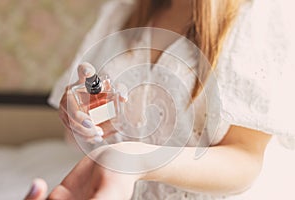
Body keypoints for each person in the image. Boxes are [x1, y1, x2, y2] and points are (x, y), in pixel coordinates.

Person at [25, 0, 294, 199]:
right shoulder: (124, 9)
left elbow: (244, 159)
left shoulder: (262, 15)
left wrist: (136, 160)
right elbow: (91, 131)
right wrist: (84, 114)